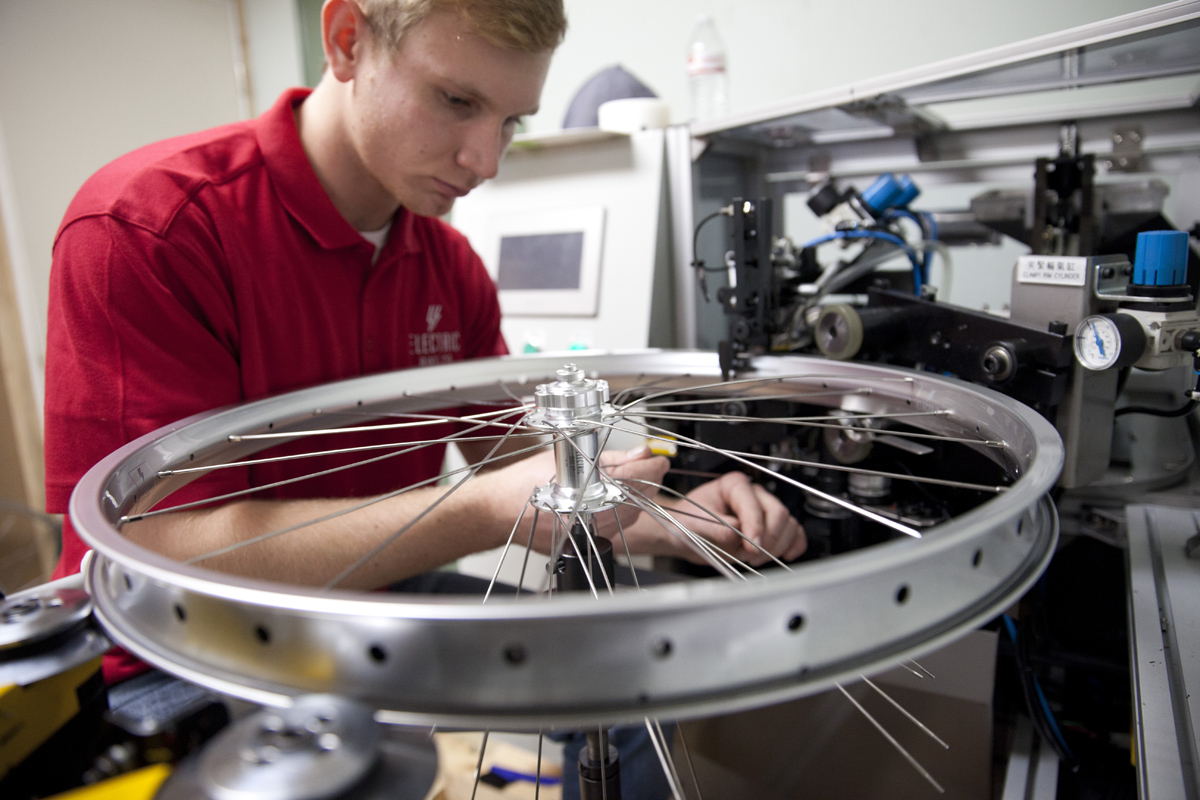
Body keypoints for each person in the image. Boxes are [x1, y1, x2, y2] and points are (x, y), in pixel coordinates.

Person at [46, 0, 806, 675]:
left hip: (370, 607)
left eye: (511, 121)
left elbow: (524, 476)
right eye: (456, 100)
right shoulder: (152, 230)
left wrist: (676, 518)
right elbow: (153, 552)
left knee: (624, 677)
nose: (487, 161)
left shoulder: (449, 266)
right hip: (179, 652)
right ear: (348, 41)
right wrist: (478, 511)